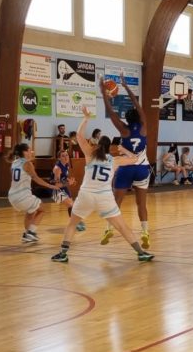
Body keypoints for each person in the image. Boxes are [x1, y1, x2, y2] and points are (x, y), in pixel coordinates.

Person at [50, 106, 154, 263]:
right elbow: (135, 159)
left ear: (97, 146)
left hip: (86, 195)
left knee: (72, 224)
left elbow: (78, 135)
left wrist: (86, 118)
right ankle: (141, 253)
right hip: (104, 197)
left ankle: (63, 253)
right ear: (109, 148)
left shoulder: (90, 155)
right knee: (122, 227)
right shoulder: (114, 160)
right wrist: (124, 150)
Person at [101, 74, 152, 250]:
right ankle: (145, 232)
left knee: (116, 202)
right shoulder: (144, 127)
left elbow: (111, 111)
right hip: (142, 169)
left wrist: (104, 92)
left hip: (126, 168)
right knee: (141, 204)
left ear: (127, 120)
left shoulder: (123, 130)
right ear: (138, 117)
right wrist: (127, 87)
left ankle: (108, 229)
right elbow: (138, 106)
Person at [7, 143, 62, 243]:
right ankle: (31, 232)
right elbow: (36, 179)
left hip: (12, 195)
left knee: (31, 211)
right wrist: (51, 186)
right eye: (29, 150)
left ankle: (27, 234)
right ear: (24, 152)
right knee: (42, 209)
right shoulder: (28, 164)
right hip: (22, 195)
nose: (31, 152)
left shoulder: (14, 163)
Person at [50, 149, 85, 232]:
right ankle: (75, 223)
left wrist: (70, 181)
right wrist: (68, 183)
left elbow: (64, 178)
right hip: (55, 190)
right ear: (59, 158)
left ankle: (74, 223)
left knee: (71, 205)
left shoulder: (66, 165)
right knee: (71, 204)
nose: (66, 157)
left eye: (66, 155)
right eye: (63, 156)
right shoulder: (57, 168)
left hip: (63, 188)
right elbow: (57, 184)